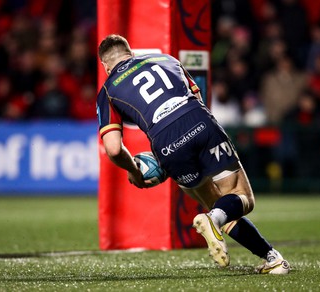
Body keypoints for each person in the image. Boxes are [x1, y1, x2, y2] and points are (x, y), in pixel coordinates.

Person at [96, 34, 290, 274]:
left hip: (165, 143)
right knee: (239, 198)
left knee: (215, 205)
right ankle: (262, 252)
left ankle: (272, 258)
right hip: (198, 120)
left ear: (105, 66)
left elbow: (113, 149)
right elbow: (197, 97)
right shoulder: (165, 59)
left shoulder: (107, 91)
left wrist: (135, 172)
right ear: (131, 53)